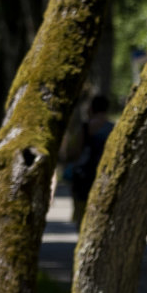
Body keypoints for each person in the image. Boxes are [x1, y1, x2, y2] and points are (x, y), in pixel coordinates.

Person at [65, 95, 114, 226]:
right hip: (105, 173)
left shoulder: (85, 127)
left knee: (82, 209)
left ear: (92, 108)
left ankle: (83, 234)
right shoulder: (113, 128)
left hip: (84, 174)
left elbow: (75, 152)